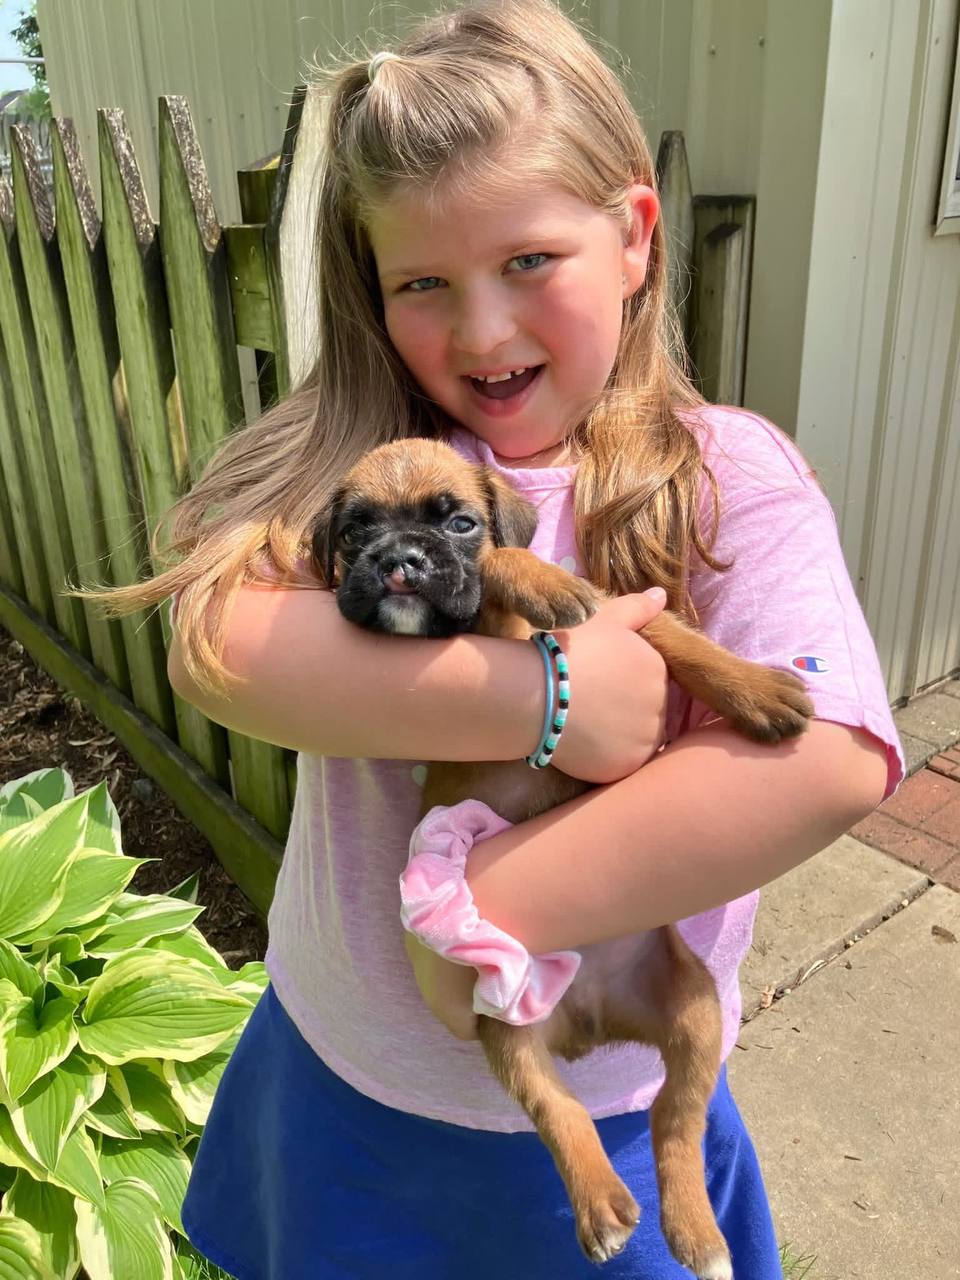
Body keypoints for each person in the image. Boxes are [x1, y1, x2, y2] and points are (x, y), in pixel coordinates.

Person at [91, 2, 903, 1275]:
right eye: (424, 282)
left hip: (617, 1107)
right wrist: (545, 698)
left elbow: (836, 754)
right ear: (372, 288)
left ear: (634, 238)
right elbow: (213, 644)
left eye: (529, 260)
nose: (479, 331)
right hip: (344, 1074)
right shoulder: (351, 457)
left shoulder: (724, 474)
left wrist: (481, 914)